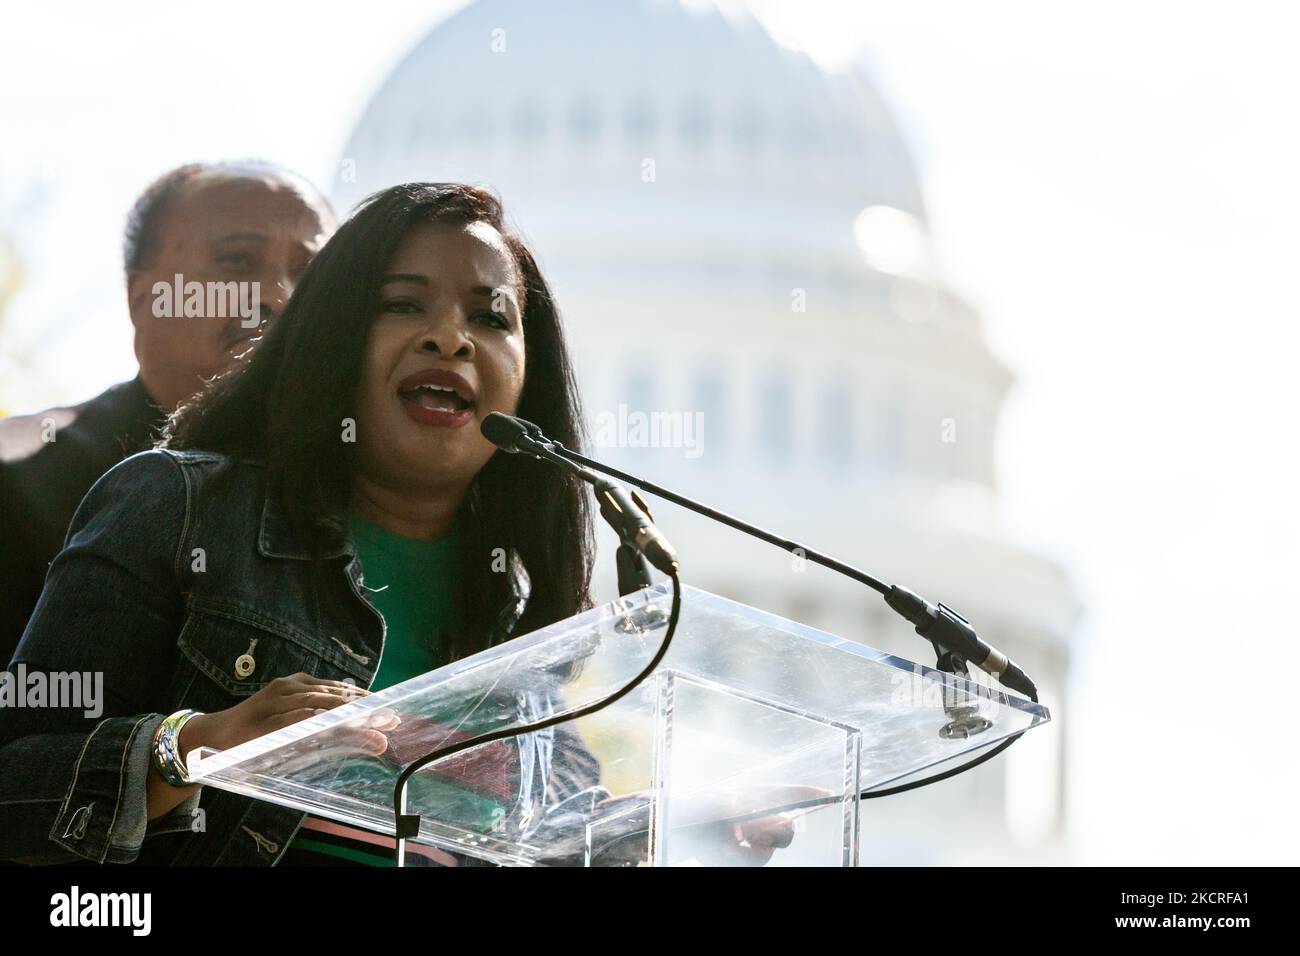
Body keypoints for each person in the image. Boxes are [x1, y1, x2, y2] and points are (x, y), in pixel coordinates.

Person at [0, 183, 602, 866]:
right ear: (333, 338)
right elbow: (15, 792)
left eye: (491, 317)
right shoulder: (175, 506)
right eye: (402, 304)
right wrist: (195, 746)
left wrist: (709, 828)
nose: (450, 338)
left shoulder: (518, 626)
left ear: (528, 380)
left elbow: (579, 836)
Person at [0, 161, 335, 664]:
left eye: (309, 275)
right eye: (238, 261)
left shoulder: (372, 492)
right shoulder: (19, 479)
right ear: (143, 298)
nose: (277, 297)